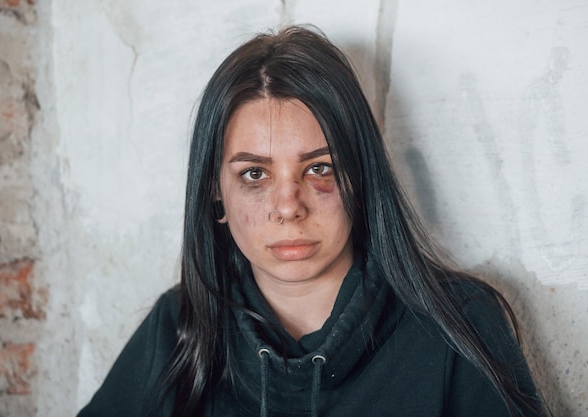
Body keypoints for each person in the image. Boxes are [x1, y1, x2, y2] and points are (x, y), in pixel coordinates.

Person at [78, 25, 550, 417]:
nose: (288, 206)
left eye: (319, 168)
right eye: (255, 174)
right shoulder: (177, 329)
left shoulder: (458, 326)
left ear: (360, 180)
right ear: (215, 195)